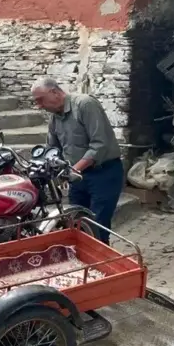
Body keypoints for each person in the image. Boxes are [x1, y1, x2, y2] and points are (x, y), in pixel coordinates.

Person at [31, 77, 123, 243]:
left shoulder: (85, 104)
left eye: (40, 100)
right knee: (77, 222)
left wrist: (74, 169)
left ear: (55, 92)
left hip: (103, 173)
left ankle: (100, 266)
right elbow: (52, 148)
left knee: (98, 226)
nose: (39, 106)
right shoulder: (54, 117)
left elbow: (99, 144)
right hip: (78, 176)